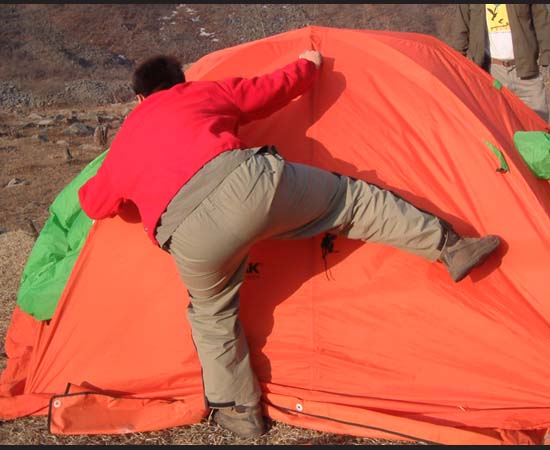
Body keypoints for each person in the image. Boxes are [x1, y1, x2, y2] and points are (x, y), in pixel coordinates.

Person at [78, 51, 501, 439]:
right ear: (180, 81)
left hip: (186, 234)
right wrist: (309, 63)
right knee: (354, 201)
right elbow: (269, 90)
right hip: (248, 186)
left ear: (138, 98)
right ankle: (452, 249)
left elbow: (94, 204)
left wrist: (118, 171)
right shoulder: (198, 93)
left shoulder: (127, 139)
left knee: (212, 316)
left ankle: (239, 412)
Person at [450, 3, 550, 122]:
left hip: (527, 71)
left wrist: (546, 55)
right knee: (497, 125)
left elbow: (542, 22)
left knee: (538, 123)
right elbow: (461, 29)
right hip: (491, 73)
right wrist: (455, 63)